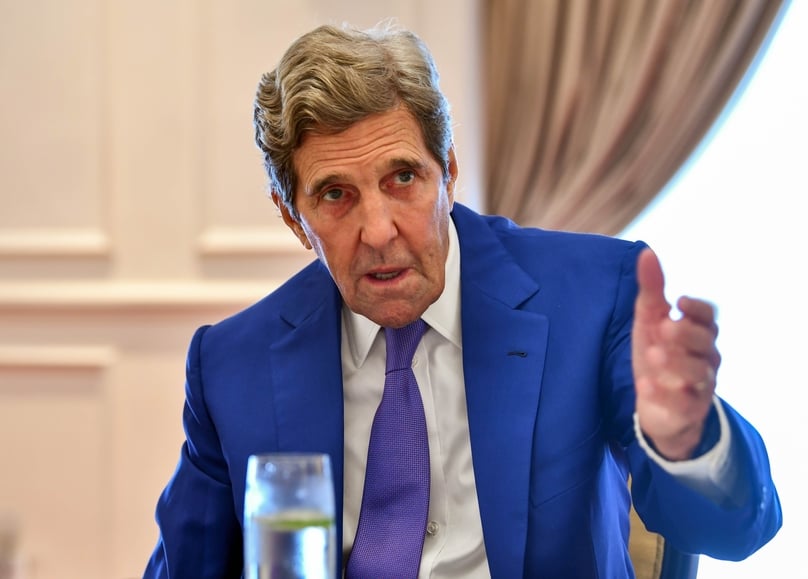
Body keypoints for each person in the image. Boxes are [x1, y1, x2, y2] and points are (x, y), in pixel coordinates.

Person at [143, 22, 782, 578]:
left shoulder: (589, 298)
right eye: (335, 195)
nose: (379, 230)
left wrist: (687, 443)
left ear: (447, 170)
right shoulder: (233, 367)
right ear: (293, 217)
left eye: (403, 178)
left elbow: (736, 532)